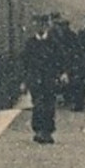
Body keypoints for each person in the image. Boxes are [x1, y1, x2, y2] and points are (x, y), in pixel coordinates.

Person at [21, 13, 62, 144]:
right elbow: (25, 63)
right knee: (38, 104)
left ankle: (47, 131)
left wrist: (62, 73)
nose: (41, 27)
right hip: (35, 79)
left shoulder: (54, 43)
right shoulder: (30, 43)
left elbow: (60, 60)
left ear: (47, 26)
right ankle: (39, 130)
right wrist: (24, 80)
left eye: (43, 25)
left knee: (49, 105)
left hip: (49, 79)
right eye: (38, 25)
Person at [54, 16, 85, 112]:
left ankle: (73, 101)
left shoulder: (70, 36)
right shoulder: (57, 35)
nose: (61, 27)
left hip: (71, 62)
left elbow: (76, 51)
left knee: (73, 82)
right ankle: (69, 99)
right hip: (64, 62)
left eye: (62, 25)